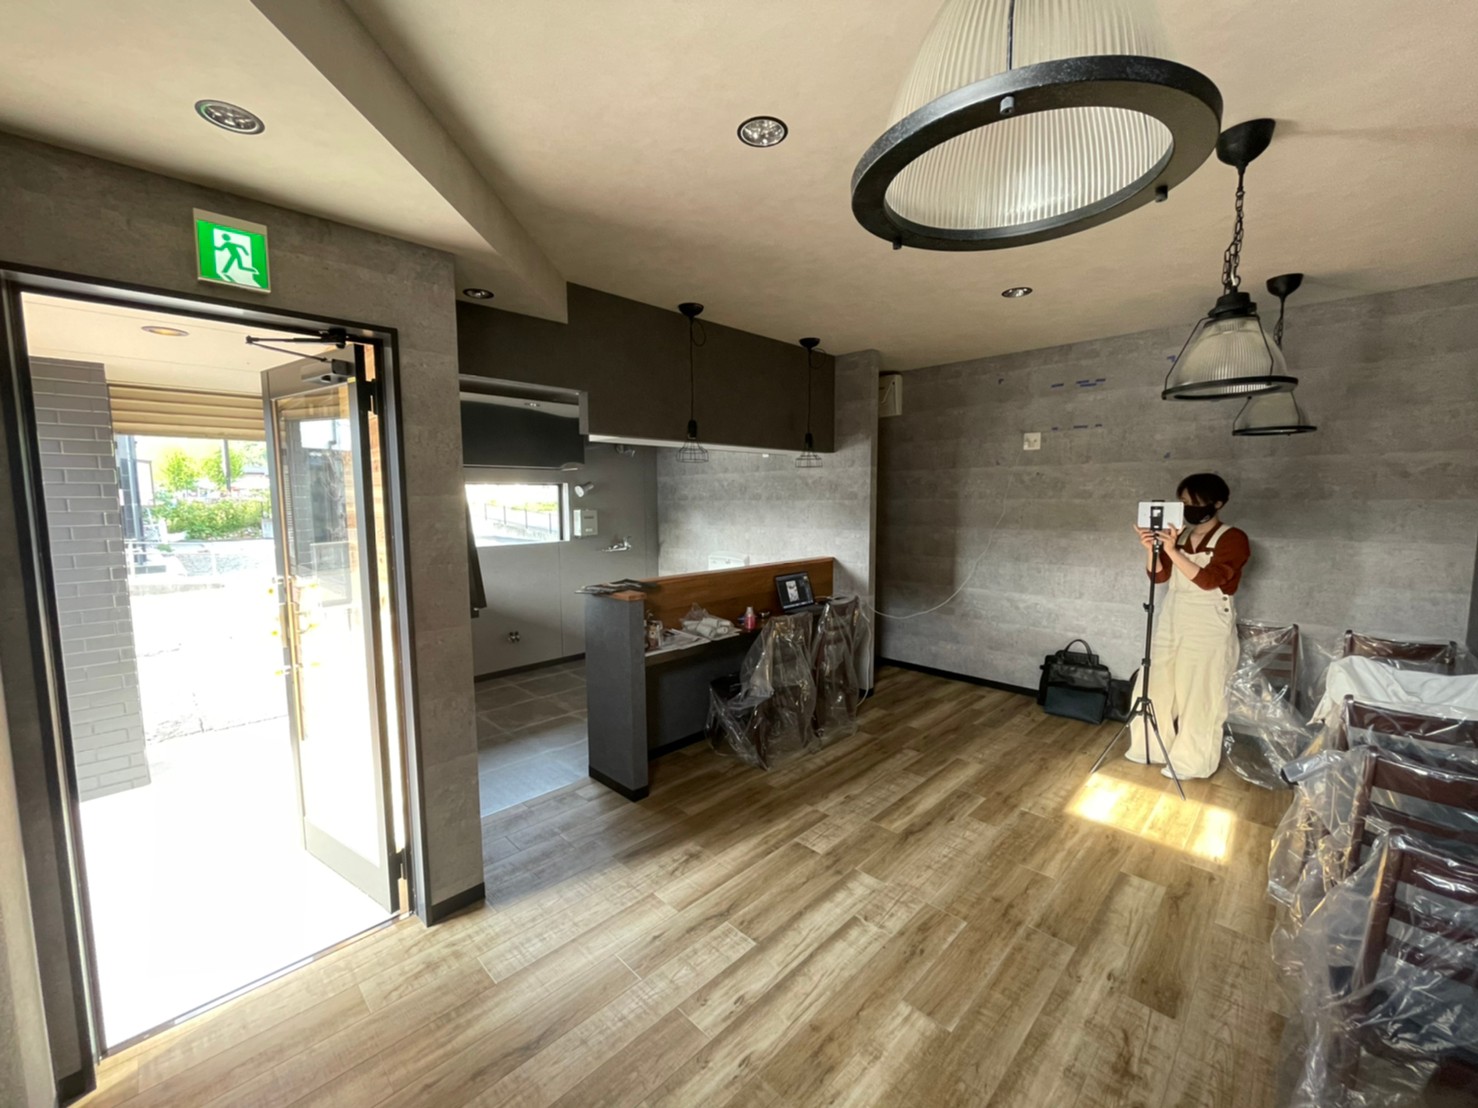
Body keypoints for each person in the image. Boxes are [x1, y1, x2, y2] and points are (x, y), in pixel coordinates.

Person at [1127, 472, 1250, 779]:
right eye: (1183, 501)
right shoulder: (1179, 537)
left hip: (1208, 621)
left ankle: (1192, 762)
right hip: (1174, 613)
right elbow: (1159, 577)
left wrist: (1171, 550)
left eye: (1196, 502)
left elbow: (1209, 581)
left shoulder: (1233, 538)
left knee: (1200, 693)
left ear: (1217, 504)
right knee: (1155, 683)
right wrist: (1152, 549)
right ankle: (1149, 748)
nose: (1188, 508)